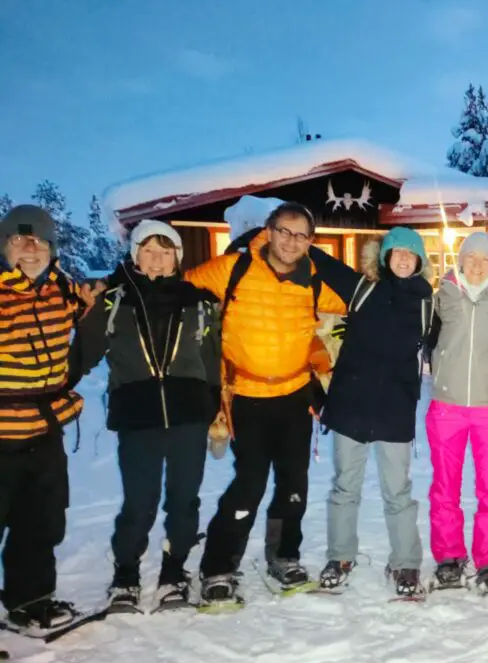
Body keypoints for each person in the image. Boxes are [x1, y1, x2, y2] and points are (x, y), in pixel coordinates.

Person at [186, 202, 346, 608]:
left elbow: (357, 302)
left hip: (295, 397)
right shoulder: (233, 270)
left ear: (311, 241)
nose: (291, 242)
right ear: (269, 231)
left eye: (301, 235)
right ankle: (219, 567)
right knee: (249, 483)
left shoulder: (313, 281)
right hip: (246, 398)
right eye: (284, 231)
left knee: (295, 483)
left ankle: (284, 556)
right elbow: (177, 284)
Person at [75, 220, 220, 613]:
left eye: (165, 251)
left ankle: (174, 572)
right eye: (148, 251)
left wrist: (217, 410)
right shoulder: (113, 302)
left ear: (177, 256)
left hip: (189, 416)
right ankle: (125, 575)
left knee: (184, 500)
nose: (157, 260)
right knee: (140, 502)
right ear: (135, 255)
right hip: (138, 418)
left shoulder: (199, 302)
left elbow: (212, 364)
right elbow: (80, 360)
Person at [306, 227, 433, 598]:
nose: (404, 259)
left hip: (395, 409)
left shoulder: (427, 302)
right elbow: (324, 264)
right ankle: (340, 557)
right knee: (345, 487)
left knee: (398, 491)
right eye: (397, 253)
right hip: (351, 404)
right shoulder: (363, 288)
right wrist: (295, 241)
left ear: (420, 261)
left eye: (411, 255)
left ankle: (406, 563)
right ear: (385, 257)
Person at [0, 205, 97, 633]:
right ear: (5, 248)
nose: (29, 248)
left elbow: (96, 306)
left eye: (38, 240)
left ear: (52, 248)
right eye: (19, 240)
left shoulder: (64, 291)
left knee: (41, 522)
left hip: (46, 431)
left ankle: (31, 602)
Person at [425, 232, 488, 593]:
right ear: (460, 259)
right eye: (471, 257)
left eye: (485, 258)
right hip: (446, 405)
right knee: (444, 488)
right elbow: (427, 337)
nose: (477, 264)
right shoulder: (443, 293)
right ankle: (449, 557)